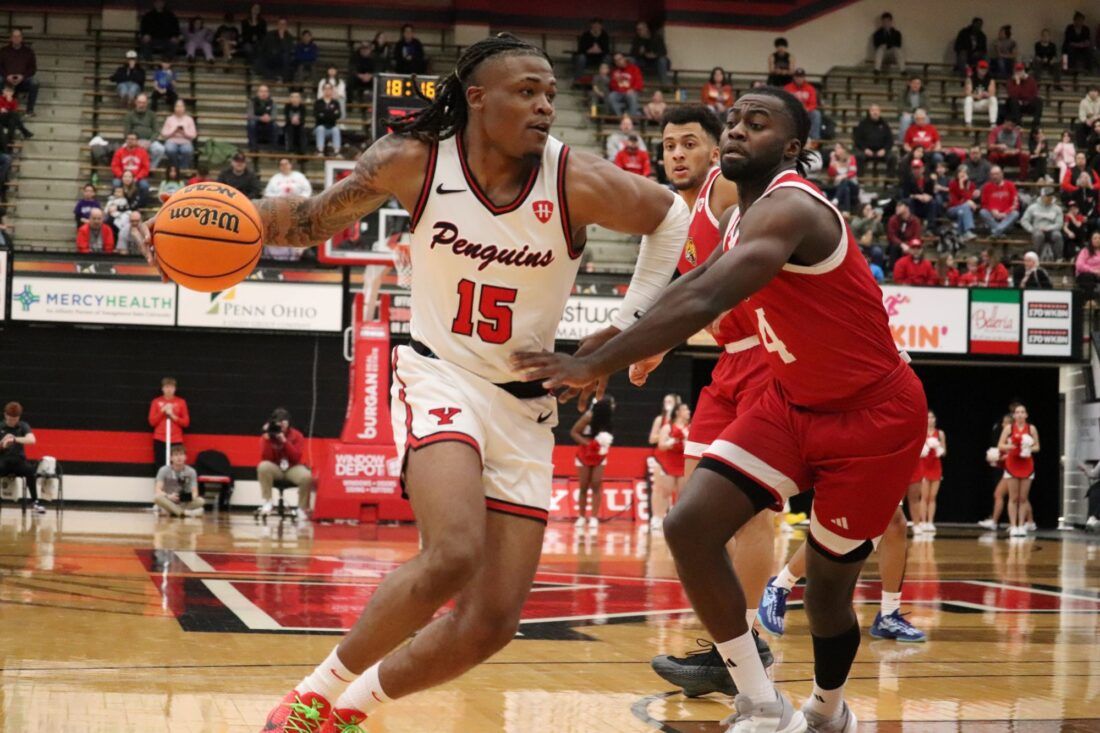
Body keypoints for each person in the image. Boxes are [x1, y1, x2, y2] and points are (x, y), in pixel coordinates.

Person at [135, 35, 691, 732]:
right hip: (440, 373)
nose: (546, 104)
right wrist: (193, 222)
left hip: (527, 408)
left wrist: (628, 326)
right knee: (454, 551)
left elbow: (670, 215)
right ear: (478, 98)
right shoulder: (413, 162)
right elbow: (305, 222)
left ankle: (349, 710)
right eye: (527, 91)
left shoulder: (571, 178)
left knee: (490, 623)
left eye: (550, 92)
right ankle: (313, 692)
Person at [511, 86, 928, 732]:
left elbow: (709, 291)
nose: (735, 131)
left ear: (792, 148)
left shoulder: (793, 209)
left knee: (825, 595)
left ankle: (827, 707)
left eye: (755, 124)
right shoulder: (741, 216)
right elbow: (691, 283)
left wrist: (604, 359)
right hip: (793, 403)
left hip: (873, 417)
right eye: (732, 121)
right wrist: (618, 332)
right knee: (689, 525)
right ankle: (759, 699)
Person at [758, 503, 926, 642]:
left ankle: (889, 614)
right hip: (852, 464)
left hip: (889, 464)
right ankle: (779, 585)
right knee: (842, 524)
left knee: (895, 523)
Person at [256, 407, 312, 521]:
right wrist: (268, 440)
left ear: (288, 423)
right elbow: (266, 458)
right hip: (275, 467)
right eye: (278, 423)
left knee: (307, 476)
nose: (281, 426)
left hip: (292, 467)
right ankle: (268, 502)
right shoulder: (267, 436)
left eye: (283, 423)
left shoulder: (297, 435)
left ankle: (301, 508)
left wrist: (285, 441)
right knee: (263, 466)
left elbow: (296, 457)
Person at [570, 396, 614, 530]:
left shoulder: (608, 419)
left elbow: (607, 437)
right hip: (584, 453)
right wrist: (589, 444)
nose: (614, 406)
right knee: (583, 485)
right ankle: (581, 517)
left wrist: (603, 445)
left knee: (596, 483)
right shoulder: (588, 416)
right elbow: (574, 432)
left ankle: (594, 517)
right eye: (611, 404)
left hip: (599, 455)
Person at [999, 403, 1039, 537]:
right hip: (1012, 464)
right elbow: (1000, 444)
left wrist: (1028, 448)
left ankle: (1021, 524)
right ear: (1014, 415)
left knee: (1023, 497)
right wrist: (1011, 447)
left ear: (1026, 415)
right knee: (1013, 497)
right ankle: (1013, 525)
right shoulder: (1009, 428)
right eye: (1018, 412)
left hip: (1026, 464)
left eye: (1023, 412)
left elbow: (1037, 447)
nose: (1020, 414)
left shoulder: (1031, 429)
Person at [0, 402, 44, 514]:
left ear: (18, 418)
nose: (12, 421)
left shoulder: (23, 426)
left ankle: (35, 502)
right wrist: (2, 445)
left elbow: (32, 440)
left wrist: (15, 439)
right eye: (10, 419)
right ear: (5, 415)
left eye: (15, 419)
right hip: (3, 461)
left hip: (19, 462)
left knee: (30, 471)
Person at [907, 410, 946, 534]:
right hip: (923, 465)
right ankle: (921, 521)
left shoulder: (940, 433)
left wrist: (938, 448)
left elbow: (944, 451)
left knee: (932, 496)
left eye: (932, 417)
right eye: (928, 417)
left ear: (935, 419)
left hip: (935, 465)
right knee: (923, 496)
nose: (930, 419)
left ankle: (930, 522)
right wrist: (925, 447)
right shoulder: (921, 432)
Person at [647, 393, 681, 532]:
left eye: (670, 401)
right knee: (658, 488)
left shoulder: (681, 421)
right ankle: (656, 517)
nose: (667, 403)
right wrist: (663, 434)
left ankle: (675, 517)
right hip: (660, 457)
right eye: (665, 400)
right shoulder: (660, 419)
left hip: (676, 458)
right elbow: (651, 439)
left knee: (676, 489)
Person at [148, 377, 189, 476]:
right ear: (162, 388)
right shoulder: (156, 402)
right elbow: (152, 422)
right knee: (160, 466)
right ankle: (160, 489)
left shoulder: (181, 402)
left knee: (177, 465)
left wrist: (172, 415)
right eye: (166, 387)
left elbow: (186, 423)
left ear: (175, 389)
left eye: (171, 387)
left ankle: (175, 489)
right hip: (160, 438)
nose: (169, 389)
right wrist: (162, 411)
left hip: (176, 439)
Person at [154, 444, 204, 517]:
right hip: (169, 499)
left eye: (181, 454)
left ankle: (172, 512)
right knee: (157, 498)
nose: (179, 457)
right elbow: (157, 490)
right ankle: (183, 513)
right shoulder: (163, 470)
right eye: (176, 455)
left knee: (201, 501)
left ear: (185, 457)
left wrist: (184, 498)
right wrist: (169, 496)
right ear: (171, 458)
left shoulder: (191, 471)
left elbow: (195, 492)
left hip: (184, 501)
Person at [123, 93, 166, 168]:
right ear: (136, 102)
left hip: (149, 141)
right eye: (139, 102)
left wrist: (150, 142)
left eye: (143, 103)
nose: (141, 105)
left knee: (160, 149)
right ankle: (131, 169)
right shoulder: (129, 115)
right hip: (133, 140)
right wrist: (135, 142)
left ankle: (150, 168)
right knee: (123, 148)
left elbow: (156, 131)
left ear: (146, 104)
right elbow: (127, 132)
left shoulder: (152, 115)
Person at [852, 104, 896, 176]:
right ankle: (860, 181)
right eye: (873, 110)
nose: (875, 112)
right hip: (866, 151)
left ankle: (889, 182)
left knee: (893, 157)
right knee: (858, 156)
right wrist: (865, 149)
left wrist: (884, 150)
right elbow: (857, 140)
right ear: (869, 112)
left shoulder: (885, 124)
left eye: (877, 110)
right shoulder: (863, 124)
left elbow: (890, 141)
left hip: (881, 151)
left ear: (880, 112)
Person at [1021, 188, 1064, 261]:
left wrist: (1049, 228)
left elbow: (1059, 224)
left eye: (1051, 196)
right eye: (1047, 196)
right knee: (1038, 235)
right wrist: (1031, 229)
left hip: (1052, 230)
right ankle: (1037, 257)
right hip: (1037, 230)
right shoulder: (1033, 207)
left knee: (1057, 235)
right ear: (1042, 196)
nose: (1049, 198)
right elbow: (1024, 220)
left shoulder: (1057, 209)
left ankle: (1059, 258)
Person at [980, 166, 1020, 238]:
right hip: (992, 219)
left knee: (1015, 213)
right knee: (983, 212)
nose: (994, 176)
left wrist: (1005, 213)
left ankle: (996, 232)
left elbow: (1015, 203)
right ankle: (999, 232)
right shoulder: (986, 187)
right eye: (992, 174)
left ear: (1002, 174)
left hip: (1006, 219)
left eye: (996, 174)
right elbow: (984, 204)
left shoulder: (1010, 185)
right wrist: (992, 211)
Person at [784, 68, 820, 141]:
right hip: (792, 111)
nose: (799, 79)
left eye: (801, 77)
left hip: (806, 111)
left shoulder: (810, 88)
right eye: (797, 77)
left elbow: (813, 104)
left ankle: (814, 139)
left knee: (816, 114)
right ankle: (787, 136)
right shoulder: (787, 88)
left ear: (804, 77)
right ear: (794, 77)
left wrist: (807, 109)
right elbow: (785, 102)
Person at [630, 21, 669, 87]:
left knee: (662, 60)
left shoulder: (657, 37)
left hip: (655, 61)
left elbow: (664, 51)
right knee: (631, 60)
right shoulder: (637, 39)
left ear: (646, 29)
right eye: (637, 30)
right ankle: (633, 84)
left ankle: (664, 85)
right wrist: (639, 52)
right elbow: (632, 53)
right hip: (643, 60)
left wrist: (655, 55)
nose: (638, 31)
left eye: (640, 29)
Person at [160, 99, 195, 169]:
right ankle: (175, 168)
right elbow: (163, 134)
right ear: (174, 108)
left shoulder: (189, 119)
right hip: (171, 141)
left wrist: (184, 132)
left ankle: (183, 169)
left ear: (184, 108)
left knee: (187, 150)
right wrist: (174, 131)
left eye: (181, 106)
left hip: (185, 141)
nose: (179, 108)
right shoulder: (169, 119)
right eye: (177, 106)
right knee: (170, 149)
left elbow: (193, 135)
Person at [947, 166, 980, 240]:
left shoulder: (971, 185)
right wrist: (961, 184)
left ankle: (960, 233)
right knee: (965, 207)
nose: (962, 174)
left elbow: (968, 199)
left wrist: (962, 186)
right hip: (952, 209)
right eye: (960, 172)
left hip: (963, 211)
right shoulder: (952, 184)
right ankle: (968, 231)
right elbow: (953, 202)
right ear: (957, 173)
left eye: (964, 172)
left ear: (967, 174)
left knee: (962, 212)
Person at [1006, 63, 1042, 129]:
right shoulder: (1011, 81)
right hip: (1016, 105)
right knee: (1012, 101)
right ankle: (1018, 123)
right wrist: (1017, 83)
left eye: (1021, 71)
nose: (1019, 73)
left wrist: (1025, 101)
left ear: (1024, 71)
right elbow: (1012, 95)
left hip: (1028, 104)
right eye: (1017, 71)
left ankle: (1036, 124)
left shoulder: (1031, 80)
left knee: (1039, 101)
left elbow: (1034, 94)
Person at [607, 52, 643, 118]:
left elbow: (639, 82)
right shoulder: (615, 71)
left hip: (631, 91)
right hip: (619, 92)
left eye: (620, 59)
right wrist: (618, 84)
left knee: (631, 95)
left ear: (624, 58)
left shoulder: (634, 68)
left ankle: (631, 118)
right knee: (611, 96)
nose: (619, 62)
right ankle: (620, 118)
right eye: (616, 61)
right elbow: (612, 85)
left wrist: (633, 89)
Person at [826, 142, 858, 213]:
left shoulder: (851, 158)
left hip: (853, 185)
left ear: (844, 149)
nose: (835, 149)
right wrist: (832, 160)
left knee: (844, 181)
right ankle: (846, 211)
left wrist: (843, 176)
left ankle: (836, 200)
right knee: (845, 188)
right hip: (840, 186)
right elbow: (830, 174)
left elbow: (853, 172)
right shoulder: (835, 160)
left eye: (838, 148)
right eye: (835, 148)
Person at [963, 60, 998, 127]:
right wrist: (976, 96)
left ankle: (993, 123)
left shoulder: (990, 79)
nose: (983, 70)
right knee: (968, 99)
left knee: (993, 99)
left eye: (984, 68)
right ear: (977, 68)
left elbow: (992, 93)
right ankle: (968, 122)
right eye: (981, 68)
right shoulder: (971, 78)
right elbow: (967, 92)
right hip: (974, 103)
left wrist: (987, 94)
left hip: (984, 103)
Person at [886, 201, 921, 266]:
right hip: (897, 244)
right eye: (896, 206)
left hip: (910, 244)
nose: (897, 208)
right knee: (894, 247)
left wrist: (909, 245)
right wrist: (901, 244)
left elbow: (916, 236)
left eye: (900, 206)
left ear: (907, 208)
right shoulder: (893, 219)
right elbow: (891, 236)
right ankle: (892, 269)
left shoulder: (915, 221)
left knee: (916, 249)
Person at [851, 202, 886, 267]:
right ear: (862, 210)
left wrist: (878, 222)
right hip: (860, 244)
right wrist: (867, 219)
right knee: (859, 252)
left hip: (872, 244)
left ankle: (877, 271)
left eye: (870, 209)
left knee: (877, 252)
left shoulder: (873, 220)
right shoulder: (857, 219)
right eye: (867, 209)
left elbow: (880, 232)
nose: (869, 211)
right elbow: (856, 227)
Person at [246, 84, 277, 151]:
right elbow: (250, 115)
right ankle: (253, 147)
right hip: (256, 121)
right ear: (258, 93)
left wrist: (269, 118)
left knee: (274, 125)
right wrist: (260, 118)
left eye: (265, 91)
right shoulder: (252, 101)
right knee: (251, 123)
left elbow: (274, 115)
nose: (264, 93)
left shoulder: (272, 102)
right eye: (261, 91)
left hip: (268, 121)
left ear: (268, 93)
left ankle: (273, 148)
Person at [314, 82, 342, 155]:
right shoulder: (318, 102)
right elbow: (317, 115)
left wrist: (324, 114)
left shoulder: (335, 103)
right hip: (320, 127)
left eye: (329, 88)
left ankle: (337, 151)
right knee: (321, 129)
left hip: (332, 127)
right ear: (323, 90)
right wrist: (331, 113)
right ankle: (320, 150)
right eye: (325, 88)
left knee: (336, 130)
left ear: (332, 90)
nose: (327, 90)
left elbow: (338, 115)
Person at [283, 90, 308, 155]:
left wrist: (298, 121)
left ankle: (302, 151)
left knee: (302, 130)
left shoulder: (303, 107)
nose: (295, 99)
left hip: (300, 125)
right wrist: (292, 121)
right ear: (290, 99)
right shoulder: (287, 106)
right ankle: (290, 150)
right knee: (289, 129)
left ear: (300, 99)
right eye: (293, 97)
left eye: (296, 97)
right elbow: (287, 118)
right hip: (289, 125)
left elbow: (303, 118)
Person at [1075, 231, 1100, 296]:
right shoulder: (1085, 251)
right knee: (1088, 277)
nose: (1097, 240)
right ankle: (1090, 301)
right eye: (1095, 238)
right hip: (1085, 275)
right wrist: (1094, 271)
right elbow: (1079, 266)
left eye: (1099, 238)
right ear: (1091, 240)